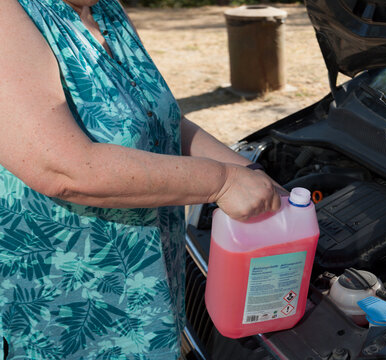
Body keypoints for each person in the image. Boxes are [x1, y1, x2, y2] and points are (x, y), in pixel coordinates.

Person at [0, 0, 283, 358]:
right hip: (64, 304)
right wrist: (222, 182)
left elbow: (162, 123)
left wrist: (256, 178)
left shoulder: (104, 9)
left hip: (146, 290)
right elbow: (64, 169)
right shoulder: (8, 15)